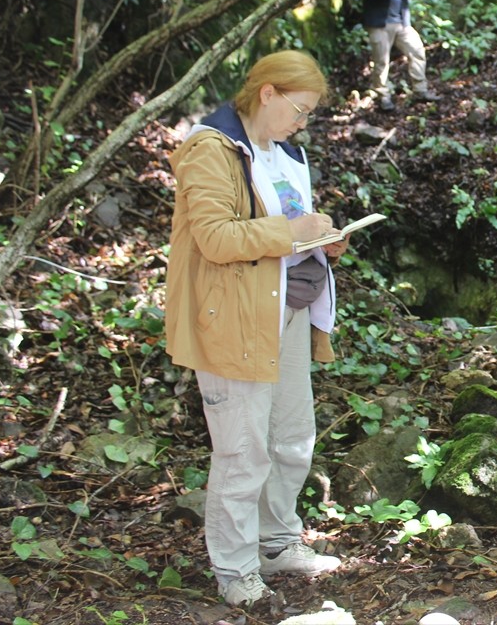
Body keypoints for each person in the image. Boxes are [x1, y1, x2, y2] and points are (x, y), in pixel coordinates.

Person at [165, 50, 346, 607]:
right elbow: (217, 238)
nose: (303, 124)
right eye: (300, 110)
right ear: (267, 92)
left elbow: (285, 232)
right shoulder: (211, 149)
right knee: (243, 451)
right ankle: (235, 569)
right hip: (235, 320)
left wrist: (322, 240)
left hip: (290, 314)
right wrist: (293, 233)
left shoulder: (285, 151)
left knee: (292, 439)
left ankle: (277, 541)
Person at [361, 0, 437, 111]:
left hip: (402, 23)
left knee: (417, 51)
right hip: (379, 24)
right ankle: (383, 97)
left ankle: (420, 90)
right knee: (381, 61)